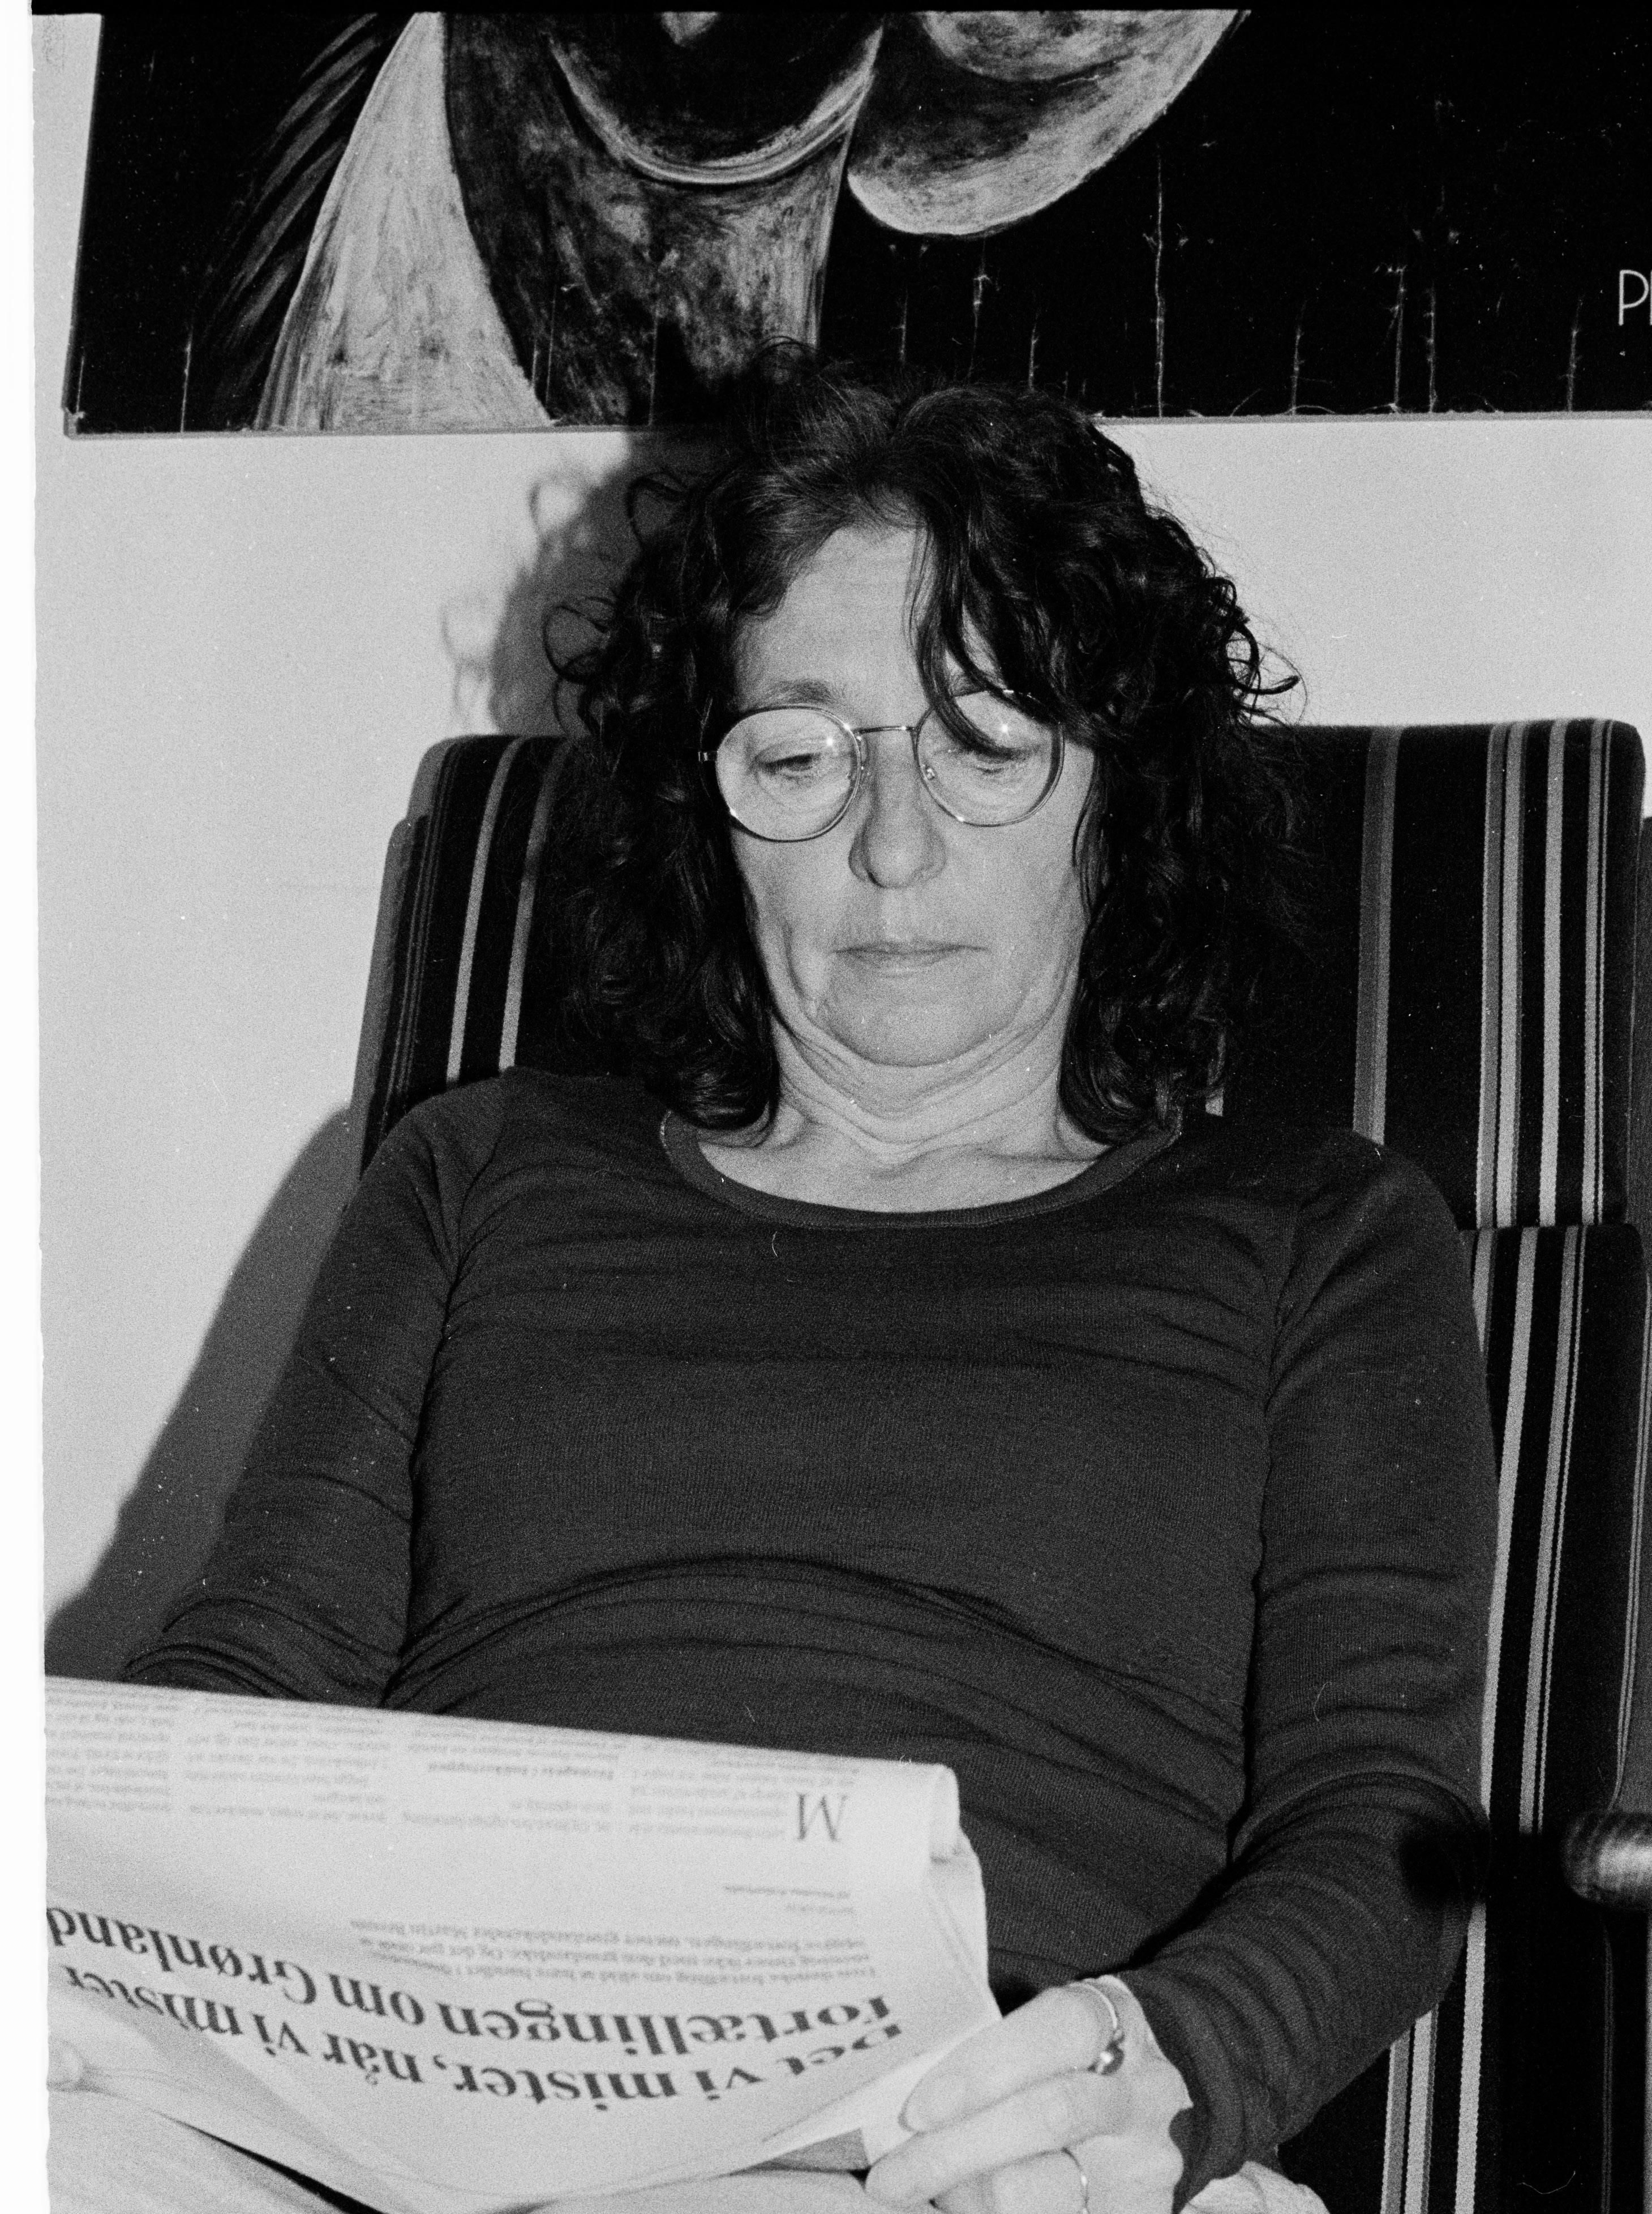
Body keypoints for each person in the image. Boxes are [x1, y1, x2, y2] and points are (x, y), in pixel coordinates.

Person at [118, 363, 1497, 2214]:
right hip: (399, 2100)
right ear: (709, 816)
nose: (893, 846)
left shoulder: (1322, 1231)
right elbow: (244, 1691)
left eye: (986, 743)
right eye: (798, 756)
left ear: (1121, 800)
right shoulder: (480, 1172)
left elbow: (1385, 1822)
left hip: (965, 2133)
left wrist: (1162, 2064)